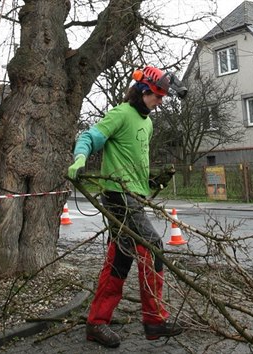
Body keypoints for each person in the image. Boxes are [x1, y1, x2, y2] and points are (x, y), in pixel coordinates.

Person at [68, 66, 186, 348]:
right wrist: (79, 159)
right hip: (118, 195)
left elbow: (133, 161)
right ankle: (154, 320)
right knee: (153, 245)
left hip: (134, 195)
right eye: (157, 96)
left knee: (120, 257)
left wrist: (151, 181)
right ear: (144, 91)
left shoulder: (148, 123)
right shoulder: (121, 114)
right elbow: (88, 137)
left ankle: (97, 323)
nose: (160, 102)